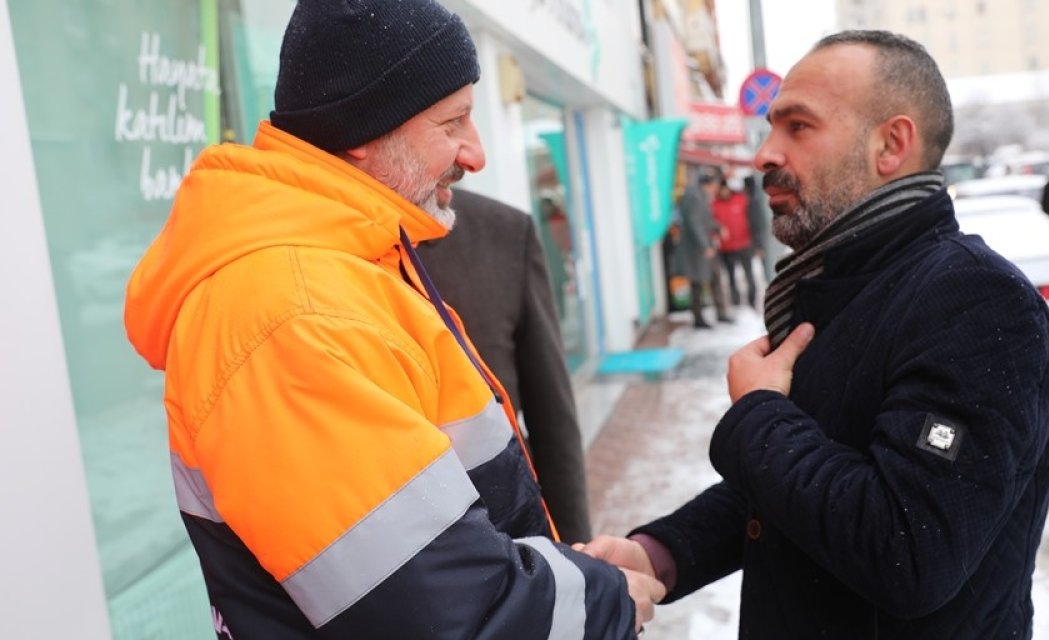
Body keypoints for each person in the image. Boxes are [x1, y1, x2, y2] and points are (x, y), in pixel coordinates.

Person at [122, 1, 661, 637]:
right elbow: (446, 615)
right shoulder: (291, 313)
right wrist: (605, 598)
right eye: (453, 121)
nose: (477, 152)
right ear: (363, 129)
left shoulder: (352, 265)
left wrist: (558, 568)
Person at [579, 30, 1049, 639]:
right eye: (770, 127)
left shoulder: (975, 303)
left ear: (891, 144)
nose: (764, 153)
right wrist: (662, 551)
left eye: (798, 127)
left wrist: (759, 412)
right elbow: (801, 488)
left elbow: (908, 549)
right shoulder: (853, 284)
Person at [416, 188, 593, 543]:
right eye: (447, 128)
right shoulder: (297, 245)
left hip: (507, 545)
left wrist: (575, 548)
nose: (471, 154)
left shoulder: (502, 232)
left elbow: (552, 417)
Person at [676, 171, 731, 328]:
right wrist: (705, 246)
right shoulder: (694, 197)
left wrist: (718, 228)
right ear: (709, 184)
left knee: (713, 278)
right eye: (715, 186)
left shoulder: (701, 196)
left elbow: (705, 220)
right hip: (697, 250)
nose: (716, 189)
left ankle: (720, 314)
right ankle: (698, 318)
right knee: (698, 284)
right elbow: (695, 224)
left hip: (704, 248)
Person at [712, 178, 759, 308]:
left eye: (725, 189)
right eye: (721, 190)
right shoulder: (714, 204)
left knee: (749, 275)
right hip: (726, 248)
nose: (723, 192)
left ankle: (752, 301)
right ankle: (736, 302)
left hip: (744, 245)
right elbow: (711, 225)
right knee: (731, 277)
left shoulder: (741, 200)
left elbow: (753, 219)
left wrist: (756, 242)